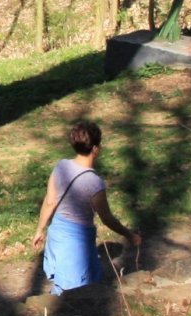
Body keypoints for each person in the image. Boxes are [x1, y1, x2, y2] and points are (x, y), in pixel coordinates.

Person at [31, 119, 139, 294]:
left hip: (57, 232)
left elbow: (50, 201)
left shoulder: (61, 166)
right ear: (96, 149)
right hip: (77, 242)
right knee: (74, 290)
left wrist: (39, 229)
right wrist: (128, 234)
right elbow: (107, 218)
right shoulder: (94, 183)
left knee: (63, 281)